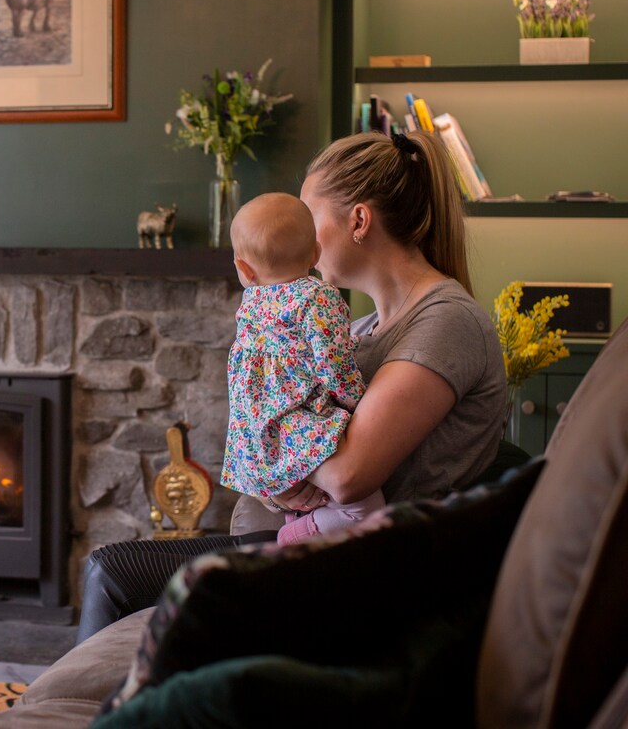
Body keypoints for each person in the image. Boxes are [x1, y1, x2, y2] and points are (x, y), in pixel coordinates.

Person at [74, 130, 506, 643]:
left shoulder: (446, 323)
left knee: (113, 574)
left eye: (307, 215)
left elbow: (347, 476)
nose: (294, 234)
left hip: (373, 573)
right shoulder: (360, 328)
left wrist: (269, 436)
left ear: (359, 221)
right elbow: (304, 450)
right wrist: (279, 473)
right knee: (110, 569)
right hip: (312, 547)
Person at [221, 192, 380, 545]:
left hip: (257, 432)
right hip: (298, 421)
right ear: (315, 254)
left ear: (243, 270)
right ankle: (293, 538)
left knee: (312, 498)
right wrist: (359, 403)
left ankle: (298, 529)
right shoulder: (317, 298)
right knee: (365, 511)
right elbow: (333, 364)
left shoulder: (250, 305)